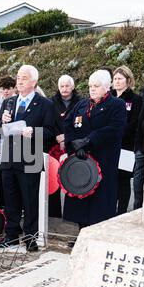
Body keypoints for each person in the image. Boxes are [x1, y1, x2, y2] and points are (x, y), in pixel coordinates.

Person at [0, 65, 55, 252]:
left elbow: (51, 131)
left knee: (30, 200)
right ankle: (11, 235)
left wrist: (34, 132)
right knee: (10, 199)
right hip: (9, 158)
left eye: (24, 77)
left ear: (33, 82)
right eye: (18, 77)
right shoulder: (9, 102)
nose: (19, 80)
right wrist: (3, 121)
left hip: (30, 158)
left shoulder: (45, 104)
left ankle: (30, 237)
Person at [63, 70, 126, 232]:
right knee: (80, 195)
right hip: (80, 158)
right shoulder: (81, 105)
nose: (92, 89)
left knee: (101, 200)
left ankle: (97, 232)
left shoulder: (116, 105)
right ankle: (81, 232)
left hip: (103, 158)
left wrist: (89, 140)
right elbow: (68, 123)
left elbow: (114, 128)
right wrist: (73, 144)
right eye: (90, 86)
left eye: (96, 86)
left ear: (107, 87)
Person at [48, 75, 83, 218]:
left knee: (72, 178)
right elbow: (49, 121)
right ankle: (54, 214)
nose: (64, 89)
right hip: (53, 143)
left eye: (67, 86)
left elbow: (80, 122)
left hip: (72, 143)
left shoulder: (81, 102)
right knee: (53, 178)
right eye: (61, 86)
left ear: (73, 87)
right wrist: (57, 135)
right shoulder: (51, 102)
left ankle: (73, 215)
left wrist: (67, 137)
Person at [112, 66, 142, 214]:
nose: (117, 81)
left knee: (123, 179)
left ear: (128, 80)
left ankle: (121, 210)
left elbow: (134, 123)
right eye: (115, 78)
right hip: (109, 145)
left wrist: (117, 133)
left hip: (126, 146)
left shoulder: (135, 99)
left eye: (120, 78)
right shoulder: (108, 97)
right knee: (110, 178)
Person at [0, 76, 17, 210]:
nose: (6, 91)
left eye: (8, 88)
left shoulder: (16, 101)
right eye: (3, 88)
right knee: (0, 177)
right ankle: (1, 205)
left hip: (14, 145)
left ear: (14, 88)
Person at [134, 68, 144, 210]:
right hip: (142, 148)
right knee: (138, 182)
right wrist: (138, 147)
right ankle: (137, 208)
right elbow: (139, 124)